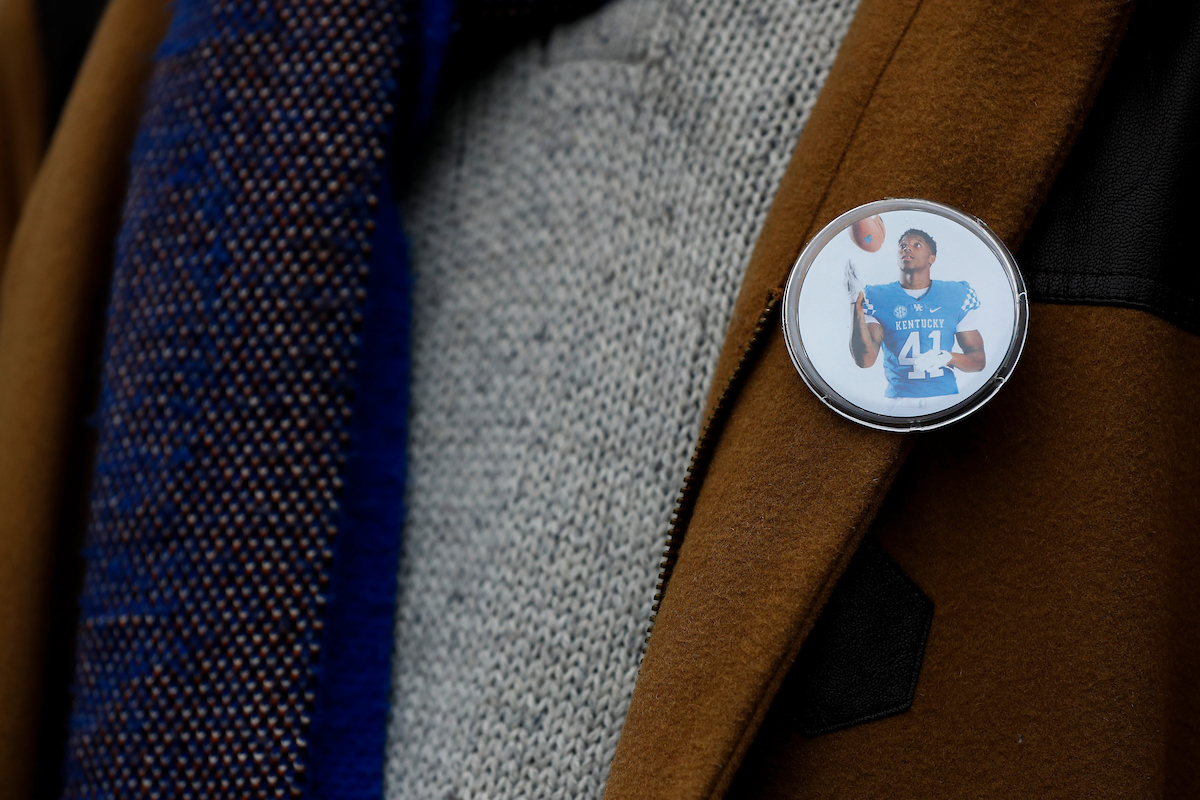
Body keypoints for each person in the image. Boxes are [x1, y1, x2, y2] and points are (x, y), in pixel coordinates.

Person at [850, 228, 985, 402]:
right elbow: (865, 361)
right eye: (903, 245)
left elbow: (978, 360)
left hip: (946, 399)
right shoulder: (877, 297)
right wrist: (855, 305)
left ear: (932, 258)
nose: (907, 248)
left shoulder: (956, 294)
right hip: (899, 401)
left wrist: (949, 357)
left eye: (917, 245)